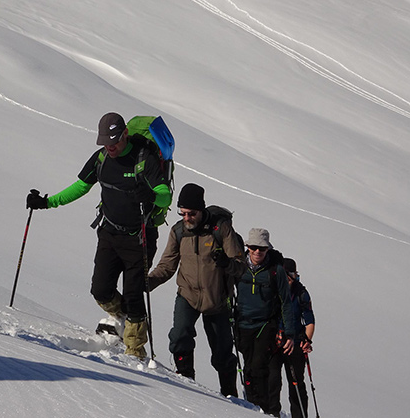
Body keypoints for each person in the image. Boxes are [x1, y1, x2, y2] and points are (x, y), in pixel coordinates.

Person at [26, 112, 172, 359]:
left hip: (140, 237)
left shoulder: (143, 159)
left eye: (114, 141)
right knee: (100, 290)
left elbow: (165, 194)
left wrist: (150, 195)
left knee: (135, 294)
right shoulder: (101, 159)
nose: (110, 146)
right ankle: (121, 317)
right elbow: (81, 186)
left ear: (125, 134)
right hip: (109, 233)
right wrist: (48, 203)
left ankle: (134, 352)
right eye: (105, 142)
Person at [148, 183, 245, 397]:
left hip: (217, 300)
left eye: (191, 213)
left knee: (222, 353)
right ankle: (185, 382)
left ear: (201, 210)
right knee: (180, 336)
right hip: (187, 295)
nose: (187, 218)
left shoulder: (221, 229)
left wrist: (227, 264)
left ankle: (230, 395)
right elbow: (167, 266)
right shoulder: (178, 232)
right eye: (182, 213)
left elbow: (241, 265)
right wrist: (146, 284)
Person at [234, 228, 295, 417]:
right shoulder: (238, 267)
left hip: (265, 324)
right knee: (248, 366)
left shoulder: (276, 271)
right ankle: (252, 404)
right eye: (253, 248)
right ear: (248, 247)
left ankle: (262, 409)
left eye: (261, 248)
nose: (257, 252)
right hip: (243, 323)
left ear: (268, 249)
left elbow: (286, 302)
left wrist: (290, 334)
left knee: (259, 366)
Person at [269, 258, 315, 418]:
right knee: (273, 380)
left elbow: (309, 321)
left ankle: (299, 415)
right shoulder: (272, 290)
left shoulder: (301, 293)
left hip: (295, 344)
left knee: (296, 384)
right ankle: (271, 413)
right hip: (275, 343)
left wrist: (307, 341)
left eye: (290, 276)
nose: (287, 279)